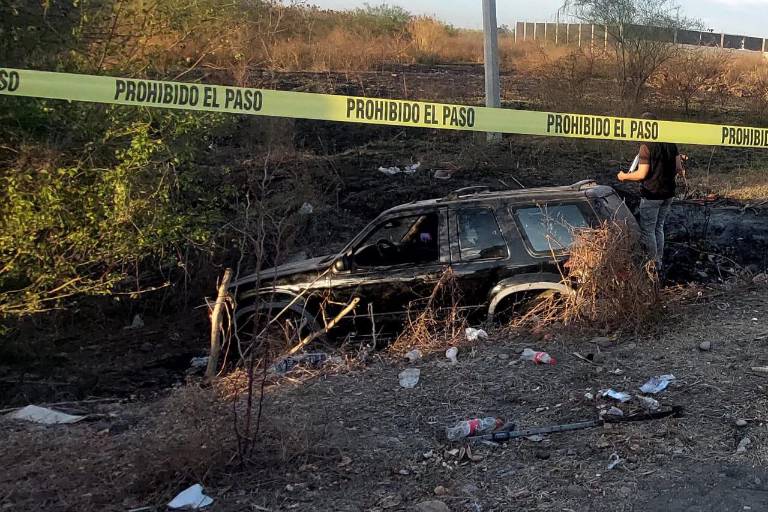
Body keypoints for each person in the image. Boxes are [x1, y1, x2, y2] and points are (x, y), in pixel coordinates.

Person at [617, 112, 686, 273]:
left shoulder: (646, 146)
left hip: (652, 195)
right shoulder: (670, 143)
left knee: (648, 230)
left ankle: (652, 265)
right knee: (659, 227)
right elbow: (679, 169)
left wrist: (624, 176)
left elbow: (641, 174)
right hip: (668, 194)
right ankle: (659, 261)